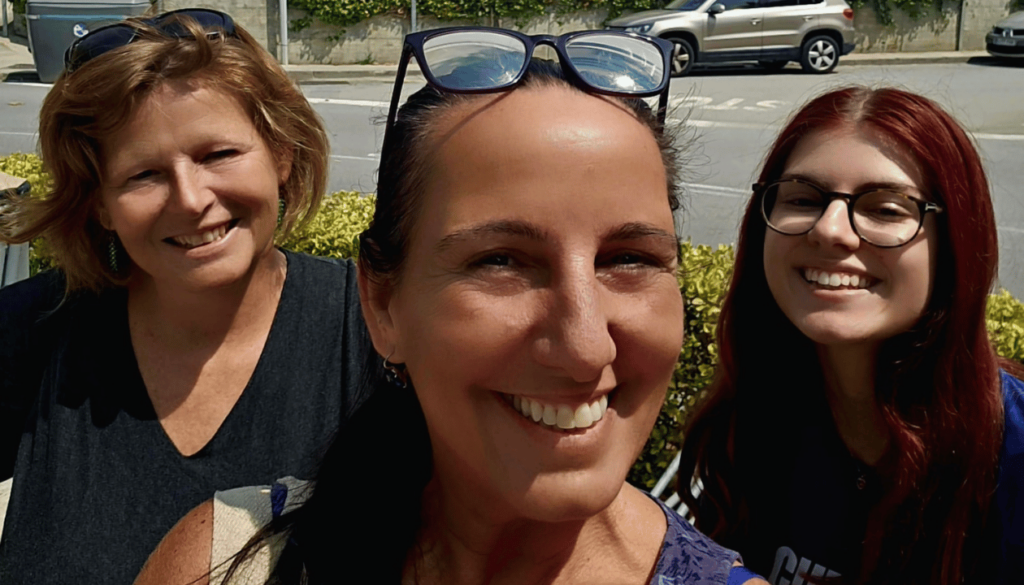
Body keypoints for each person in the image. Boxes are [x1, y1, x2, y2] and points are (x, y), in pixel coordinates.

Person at [134, 28, 767, 585]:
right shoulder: (226, 562)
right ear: (383, 304)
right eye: (501, 261)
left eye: (629, 258)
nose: (585, 348)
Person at [0, 10, 373, 583]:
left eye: (217, 155)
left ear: (282, 154)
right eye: (143, 175)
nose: (190, 199)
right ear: (100, 204)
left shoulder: (376, 333)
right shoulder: (28, 333)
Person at [676, 86, 1024, 585]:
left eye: (886, 209)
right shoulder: (753, 415)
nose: (831, 229)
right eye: (802, 198)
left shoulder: (1010, 454)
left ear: (955, 244)